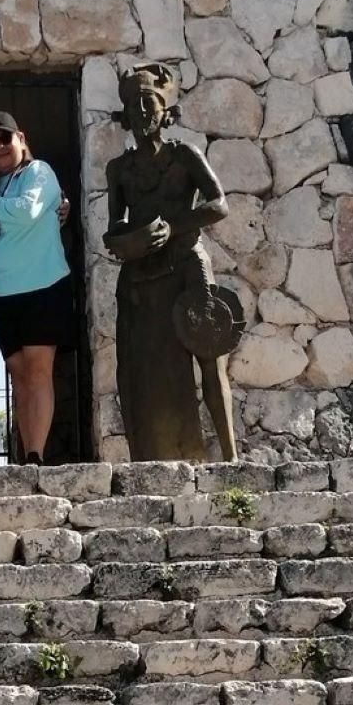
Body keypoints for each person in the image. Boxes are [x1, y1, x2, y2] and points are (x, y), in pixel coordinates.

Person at [104, 62, 239, 462]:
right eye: (134, 106)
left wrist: (174, 227)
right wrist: (132, 241)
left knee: (209, 355)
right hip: (142, 274)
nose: (142, 113)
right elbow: (114, 229)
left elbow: (219, 204)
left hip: (186, 263)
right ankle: (151, 455)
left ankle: (230, 456)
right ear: (125, 116)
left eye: (149, 103)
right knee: (143, 368)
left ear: (165, 111)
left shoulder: (185, 156)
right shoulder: (119, 170)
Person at [0, 110, 74, 465]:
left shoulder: (39, 172)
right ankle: (27, 456)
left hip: (43, 287)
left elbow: (26, 211)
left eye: (4, 138)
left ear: (21, 139)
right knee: (18, 377)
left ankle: (35, 456)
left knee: (39, 372)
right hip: (3, 294)